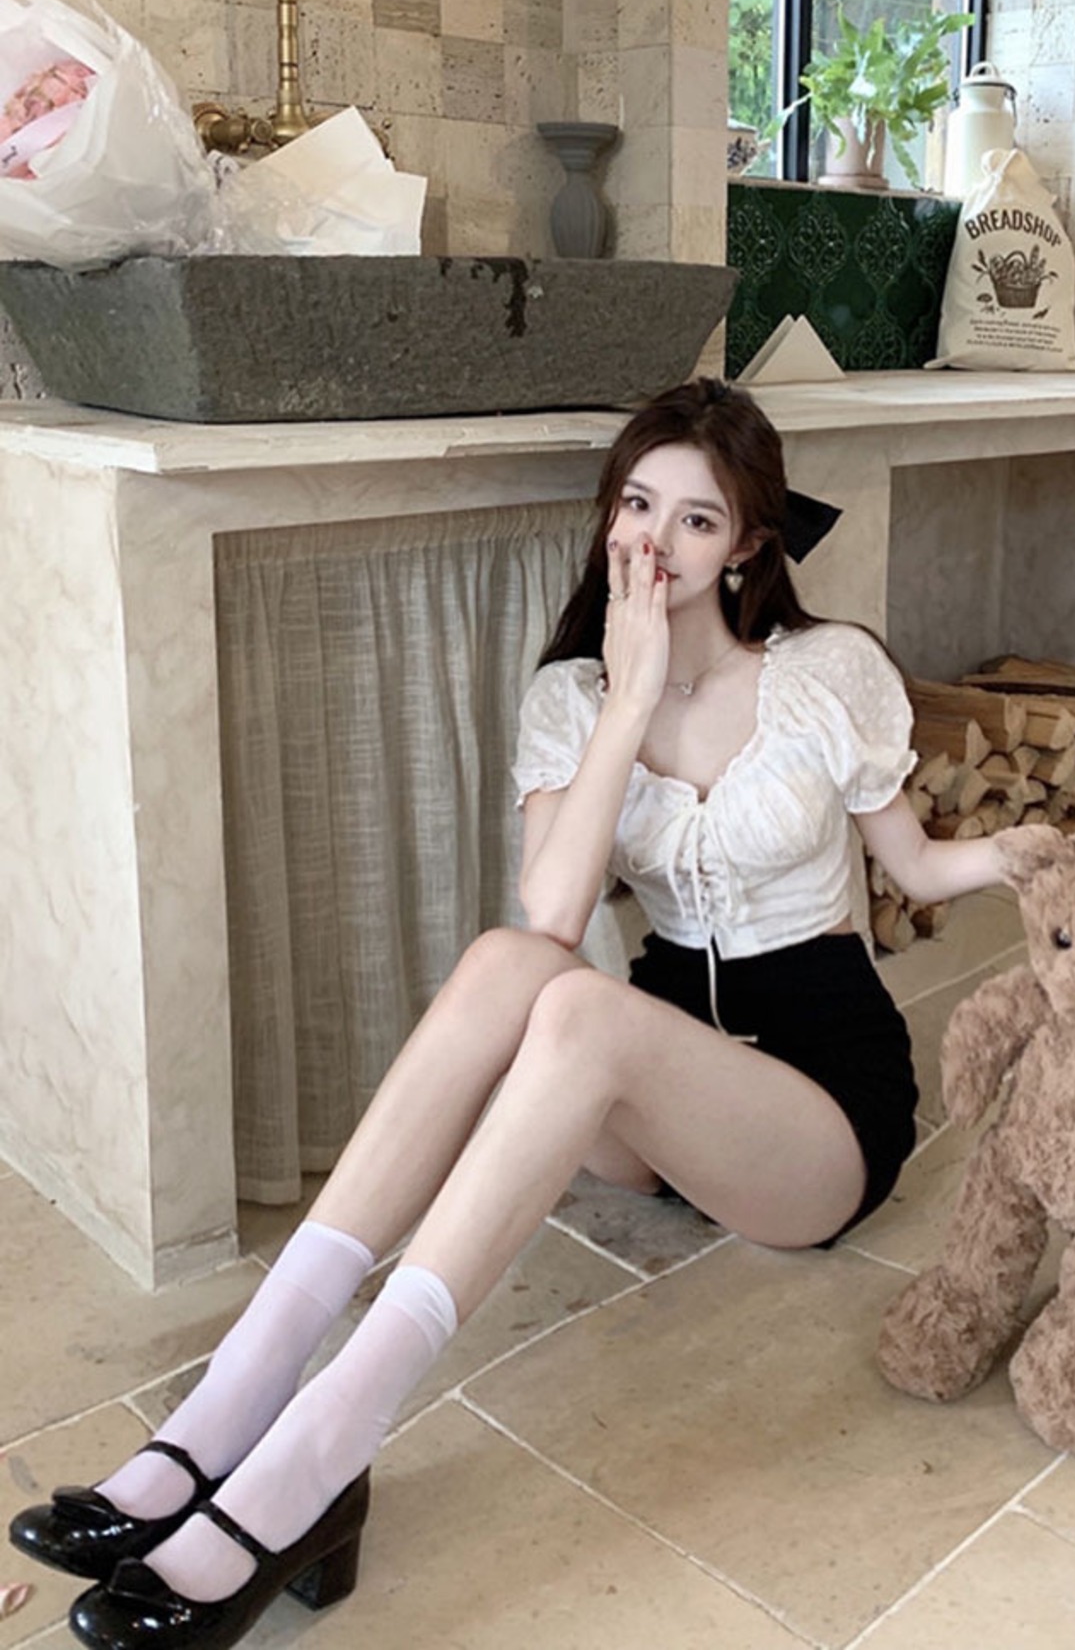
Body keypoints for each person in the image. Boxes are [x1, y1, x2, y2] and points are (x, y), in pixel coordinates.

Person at [12, 379, 1006, 1650]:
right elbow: (551, 912)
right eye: (637, 504)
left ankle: (320, 1443)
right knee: (508, 962)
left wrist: (1019, 861)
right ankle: (242, 1390)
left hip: (813, 1114)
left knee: (579, 1011)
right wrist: (628, 703)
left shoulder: (826, 673)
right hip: (657, 1105)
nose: (655, 540)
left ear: (749, 545)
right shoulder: (573, 699)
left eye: (697, 520)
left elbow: (911, 866)